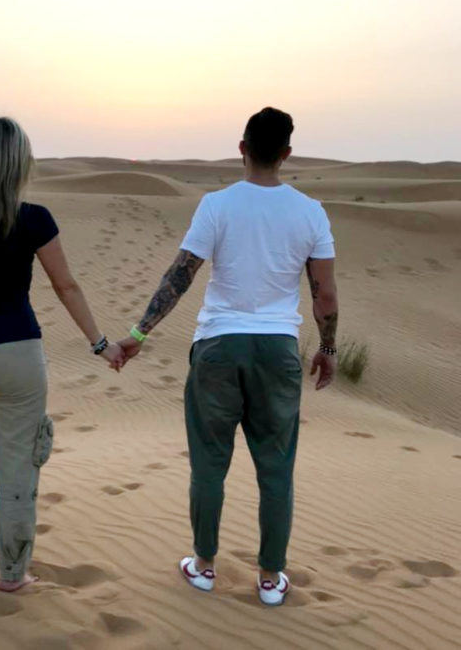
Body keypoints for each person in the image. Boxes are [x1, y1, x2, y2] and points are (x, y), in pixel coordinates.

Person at [117, 107, 338, 605]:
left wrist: (139, 332)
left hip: (218, 347)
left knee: (209, 465)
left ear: (241, 148)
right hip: (278, 350)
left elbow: (181, 275)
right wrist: (326, 348)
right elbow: (324, 295)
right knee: (276, 468)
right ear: (286, 153)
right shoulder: (310, 212)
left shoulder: (216, 206)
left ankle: (204, 565)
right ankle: (269, 579)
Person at [0, 116, 124, 591]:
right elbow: (66, 286)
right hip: (19, 354)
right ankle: (12, 574)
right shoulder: (35, 219)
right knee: (17, 473)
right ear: (18, 164)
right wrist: (101, 344)